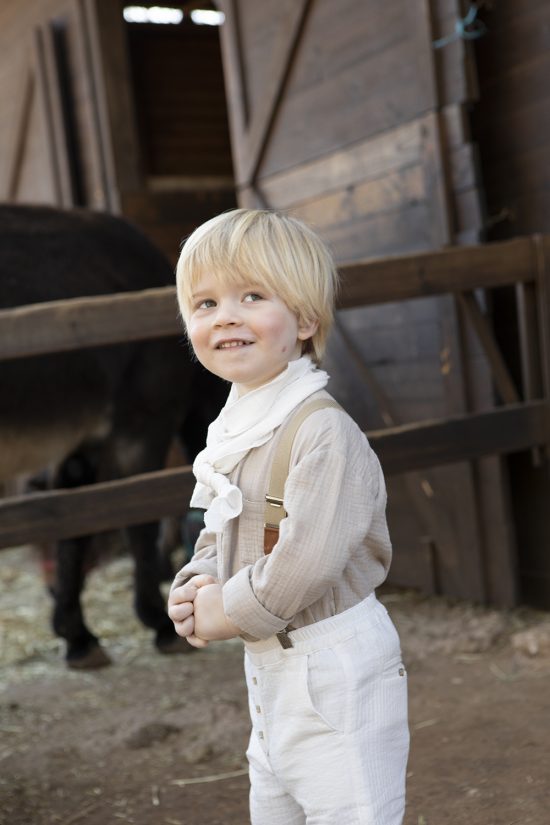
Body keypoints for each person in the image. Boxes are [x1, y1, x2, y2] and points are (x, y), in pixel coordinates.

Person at [167, 208, 409, 825]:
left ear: (305, 319)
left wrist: (229, 609)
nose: (225, 315)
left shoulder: (322, 432)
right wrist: (194, 586)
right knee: (275, 804)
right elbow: (221, 524)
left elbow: (306, 561)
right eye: (205, 303)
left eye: (252, 296)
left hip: (333, 663)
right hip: (270, 659)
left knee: (349, 806)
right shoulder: (236, 428)